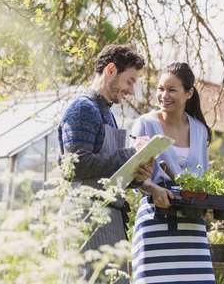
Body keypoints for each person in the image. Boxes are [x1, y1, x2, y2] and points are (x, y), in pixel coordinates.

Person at [57, 45, 155, 284]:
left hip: (110, 219)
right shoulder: (82, 108)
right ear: (110, 70)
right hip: (86, 219)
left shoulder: (107, 113)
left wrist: (139, 173)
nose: (131, 90)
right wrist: (130, 153)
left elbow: (110, 173)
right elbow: (76, 165)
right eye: (129, 81)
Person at [131, 62, 215, 284]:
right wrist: (153, 188)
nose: (164, 95)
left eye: (172, 89)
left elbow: (203, 179)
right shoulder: (145, 124)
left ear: (189, 93)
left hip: (191, 224)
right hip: (155, 219)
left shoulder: (200, 130)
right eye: (160, 88)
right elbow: (132, 173)